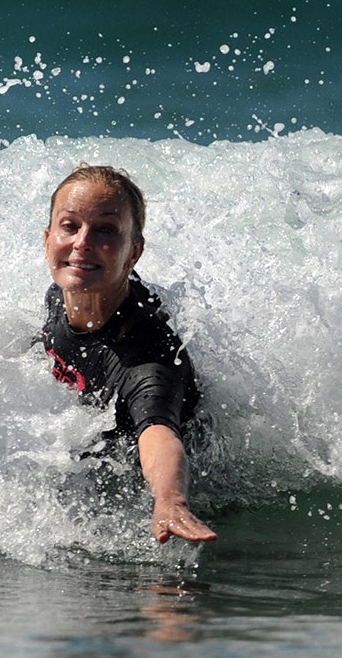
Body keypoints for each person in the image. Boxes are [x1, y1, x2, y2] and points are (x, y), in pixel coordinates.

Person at [38, 164, 217, 544]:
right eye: (69, 225)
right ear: (48, 238)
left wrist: (170, 500)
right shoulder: (66, 288)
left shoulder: (148, 357)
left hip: (172, 477)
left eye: (105, 230)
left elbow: (158, 431)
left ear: (133, 252)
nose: (82, 243)